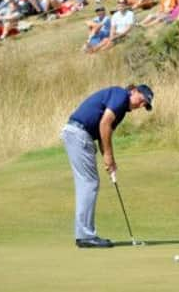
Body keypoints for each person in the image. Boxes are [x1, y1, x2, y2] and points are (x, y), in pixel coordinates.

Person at [61, 84, 154, 248]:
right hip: (79, 134)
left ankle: (84, 235)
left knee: (87, 183)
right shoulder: (121, 95)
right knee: (89, 184)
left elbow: (105, 133)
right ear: (134, 91)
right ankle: (85, 236)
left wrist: (109, 160)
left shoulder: (121, 108)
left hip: (78, 134)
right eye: (142, 100)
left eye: (144, 105)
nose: (140, 105)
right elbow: (104, 124)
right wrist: (109, 156)